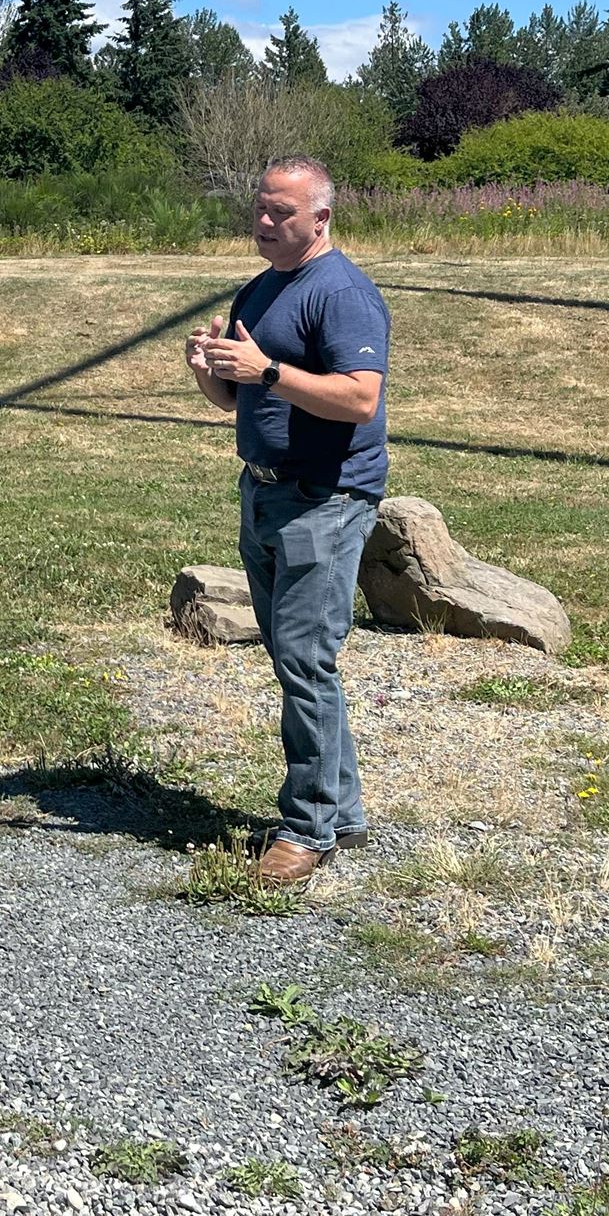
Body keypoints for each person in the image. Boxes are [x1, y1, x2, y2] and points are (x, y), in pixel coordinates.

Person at [185, 156, 389, 884]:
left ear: (321, 219)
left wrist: (267, 370)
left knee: (305, 662)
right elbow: (240, 402)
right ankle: (344, 813)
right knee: (299, 663)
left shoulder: (342, 294)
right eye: (260, 210)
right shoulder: (261, 288)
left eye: (282, 214)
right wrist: (212, 371)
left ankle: (306, 831)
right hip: (265, 493)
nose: (265, 223)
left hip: (326, 500)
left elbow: (359, 399)